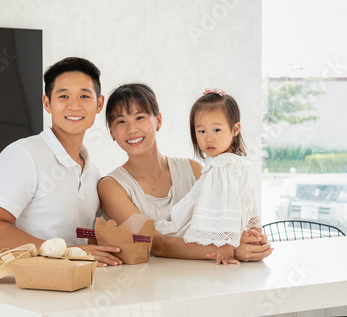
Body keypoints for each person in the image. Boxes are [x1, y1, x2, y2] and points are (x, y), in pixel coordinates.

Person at [98, 84, 272, 262]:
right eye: (121, 121)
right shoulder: (111, 187)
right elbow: (152, 242)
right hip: (153, 283)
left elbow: (227, 214)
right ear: (111, 131)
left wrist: (252, 241)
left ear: (158, 120)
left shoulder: (194, 169)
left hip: (208, 280)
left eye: (140, 117)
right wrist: (229, 250)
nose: (131, 129)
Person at [0, 57, 122, 267]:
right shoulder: (23, 154)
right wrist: (64, 253)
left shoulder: (93, 173)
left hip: (80, 287)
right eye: (63, 96)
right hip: (31, 291)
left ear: (99, 104)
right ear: (47, 103)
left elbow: (86, 238)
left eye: (84, 96)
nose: (74, 105)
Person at [153, 89, 262, 265]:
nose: (208, 138)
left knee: (160, 232)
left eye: (216, 130)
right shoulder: (236, 163)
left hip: (208, 232)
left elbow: (224, 204)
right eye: (201, 131)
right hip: (221, 232)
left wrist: (225, 247)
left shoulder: (221, 165)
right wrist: (257, 231)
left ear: (235, 129)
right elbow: (249, 201)